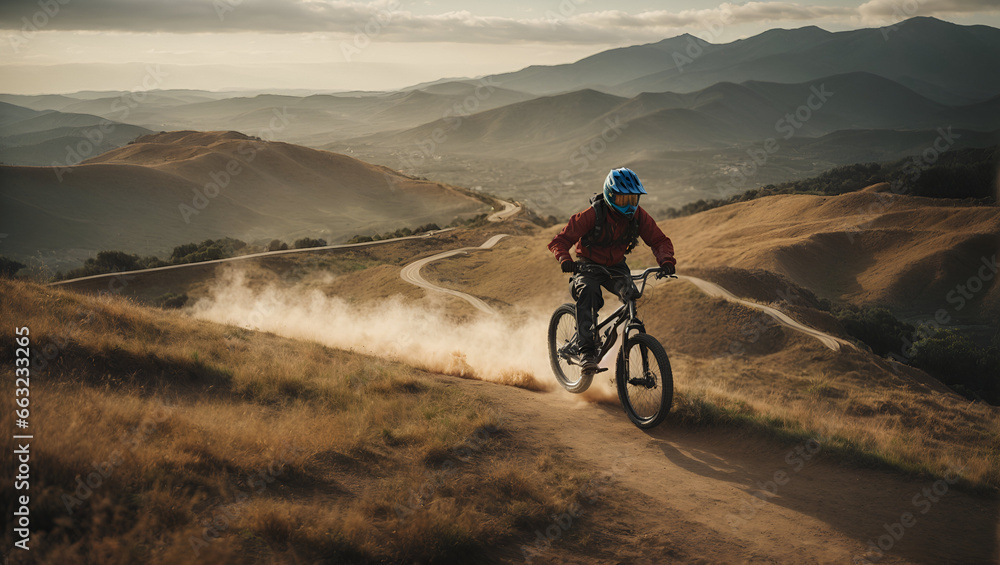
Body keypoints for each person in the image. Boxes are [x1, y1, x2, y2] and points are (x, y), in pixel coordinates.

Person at [548, 167, 676, 373]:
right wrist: (564, 258)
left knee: (631, 296)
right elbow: (560, 240)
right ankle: (586, 352)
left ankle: (627, 341)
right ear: (609, 195)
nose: (629, 205)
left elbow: (659, 240)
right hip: (587, 265)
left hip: (616, 266)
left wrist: (666, 261)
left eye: (633, 199)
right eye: (623, 199)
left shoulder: (638, 216)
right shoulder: (592, 215)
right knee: (590, 294)